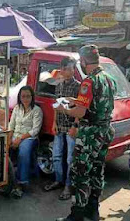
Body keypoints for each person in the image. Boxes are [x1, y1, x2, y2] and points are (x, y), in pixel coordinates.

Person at [56, 45, 116, 221]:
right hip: (105, 131)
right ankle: (93, 210)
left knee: (80, 172)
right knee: (97, 170)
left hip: (90, 133)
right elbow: (97, 102)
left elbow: (80, 112)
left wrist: (63, 109)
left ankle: (78, 215)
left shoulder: (88, 81)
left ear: (83, 61)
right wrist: (75, 100)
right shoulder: (109, 78)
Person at [43, 57, 80, 201]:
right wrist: (54, 123)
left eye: (70, 68)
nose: (67, 71)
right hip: (59, 125)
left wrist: (75, 125)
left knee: (71, 159)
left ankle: (68, 186)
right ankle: (58, 180)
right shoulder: (58, 85)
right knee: (56, 156)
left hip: (71, 127)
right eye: (65, 69)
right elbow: (56, 106)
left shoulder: (78, 87)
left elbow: (80, 109)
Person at [8, 86, 43, 198]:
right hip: (15, 136)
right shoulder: (17, 108)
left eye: (28, 96)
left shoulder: (37, 110)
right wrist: (9, 139)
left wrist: (20, 139)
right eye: (23, 96)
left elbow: (35, 130)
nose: (26, 98)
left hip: (28, 138)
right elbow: (11, 125)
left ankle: (21, 183)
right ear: (19, 97)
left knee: (24, 152)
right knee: (1, 147)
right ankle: (2, 180)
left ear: (32, 97)